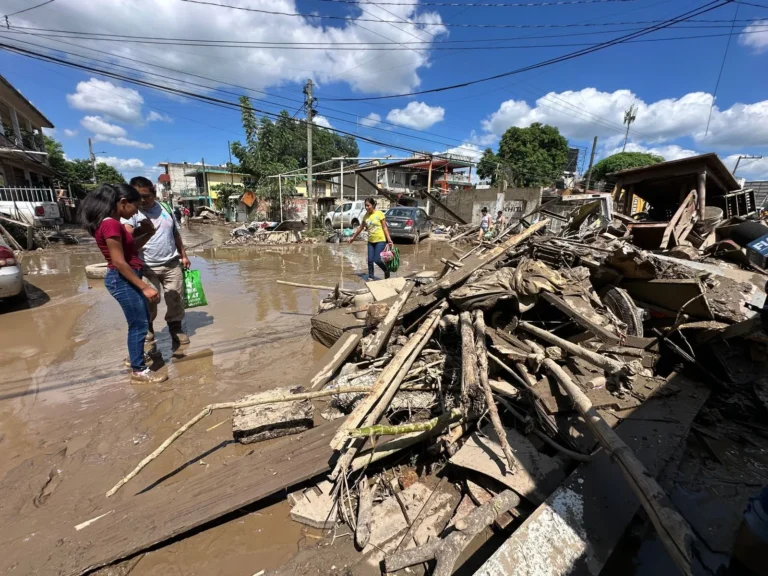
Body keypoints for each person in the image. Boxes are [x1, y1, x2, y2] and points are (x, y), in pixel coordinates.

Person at [79, 183, 167, 384]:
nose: (137, 210)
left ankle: (136, 359)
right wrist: (144, 286)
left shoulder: (112, 223)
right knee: (138, 324)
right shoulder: (111, 224)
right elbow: (118, 262)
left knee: (141, 321)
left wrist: (148, 234)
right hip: (122, 279)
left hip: (126, 276)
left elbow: (130, 251)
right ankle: (139, 370)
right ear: (123, 202)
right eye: (136, 205)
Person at [123, 176, 191, 346]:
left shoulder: (166, 208)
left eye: (146, 196)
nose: (142, 200)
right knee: (149, 302)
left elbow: (175, 234)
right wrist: (142, 229)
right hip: (145, 266)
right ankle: (148, 328)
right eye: (138, 196)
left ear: (154, 194)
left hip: (171, 263)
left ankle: (175, 328)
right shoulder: (131, 212)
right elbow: (126, 237)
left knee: (176, 299)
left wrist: (183, 255)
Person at [348, 197, 394, 280]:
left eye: (368, 205)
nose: (366, 207)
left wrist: (389, 239)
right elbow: (360, 228)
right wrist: (353, 238)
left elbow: (385, 228)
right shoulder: (366, 216)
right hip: (370, 241)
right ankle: (371, 277)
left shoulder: (379, 214)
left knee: (377, 260)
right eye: (365, 206)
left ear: (373, 205)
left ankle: (386, 270)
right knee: (369, 261)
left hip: (380, 240)